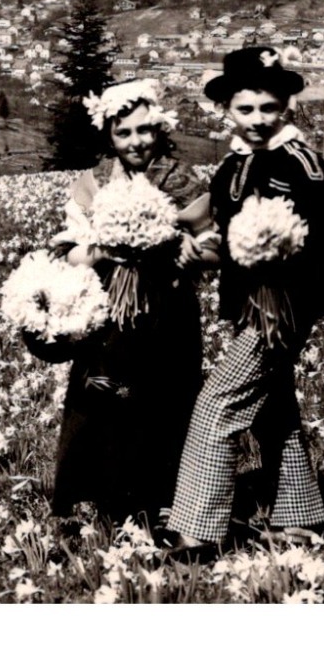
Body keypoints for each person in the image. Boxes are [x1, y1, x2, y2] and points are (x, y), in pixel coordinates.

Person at [162, 47, 324, 557]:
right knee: (273, 405)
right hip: (245, 302)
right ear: (227, 110)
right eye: (246, 109)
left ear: (287, 107)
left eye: (268, 108)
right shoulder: (232, 166)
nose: (257, 119)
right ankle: (300, 516)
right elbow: (224, 235)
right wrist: (199, 250)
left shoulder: (303, 164)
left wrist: (284, 250)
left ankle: (197, 531)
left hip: (285, 304)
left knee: (217, 404)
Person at [23, 78, 215, 529]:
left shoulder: (181, 180)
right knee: (100, 395)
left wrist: (186, 249)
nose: (135, 141)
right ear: (108, 135)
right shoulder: (92, 183)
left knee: (165, 398)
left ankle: (163, 500)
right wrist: (109, 249)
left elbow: (212, 248)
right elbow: (69, 248)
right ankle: (91, 498)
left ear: (159, 129)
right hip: (105, 309)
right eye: (123, 132)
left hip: (166, 309)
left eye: (144, 130)